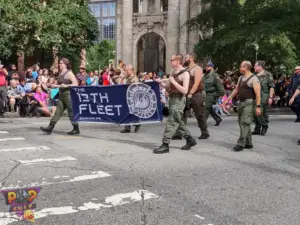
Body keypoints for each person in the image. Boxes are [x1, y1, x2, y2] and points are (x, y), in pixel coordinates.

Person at [154, 54, 197, 154]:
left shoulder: (185, 73)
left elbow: (185, 91)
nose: (171, 62)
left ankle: (165, 144)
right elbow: (168, 86)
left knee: (172, 121)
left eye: (172, 60)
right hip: (172, 99)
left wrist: (174, 81)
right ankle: (190, 140)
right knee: (178, 120)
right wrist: (160, 83)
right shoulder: (173, 72)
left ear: (178, 61)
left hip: (179, 100)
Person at [223, 61, 261, 152]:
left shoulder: (254, 79)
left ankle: (240, 144)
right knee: (242, 123)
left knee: (245, 122)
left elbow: (258, 94)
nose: (239, 68)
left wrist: (258, 107)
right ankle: (248, 143)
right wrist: (228, 99)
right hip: (241, 103)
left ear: (246, 67)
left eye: (241, 66)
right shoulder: (240, 78)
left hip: (249, 103)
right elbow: (236, 90)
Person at [173, 52, 209, 140]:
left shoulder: (197, 69)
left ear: (191, 58)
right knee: (182, 114)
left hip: (196, 94)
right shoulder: (185, 69)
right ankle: (179, 133)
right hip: (186, 94)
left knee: (199, 114)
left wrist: (190, 94)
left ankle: (205, 132)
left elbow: (196, 83)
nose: (185, 59)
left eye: (186, 57)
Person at [40, 58, 79, 135]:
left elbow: (75, 84)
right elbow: (59, 85)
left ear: (65, 64)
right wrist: (53, 85)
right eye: (59, 63)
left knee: (71, 111)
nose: (59, 64)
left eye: (61, 63)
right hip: (61, 94)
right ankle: (50, 128)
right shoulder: (60, 73)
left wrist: (67, 85)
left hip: (68, 94)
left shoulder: (69, 73)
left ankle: (76, 128)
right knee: (58, 112)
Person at [252, 61, 274, 135]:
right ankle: (257, 129)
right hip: (254, 96)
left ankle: (264, 125)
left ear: (260, 66)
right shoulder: (254, 75)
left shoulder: (267, 74)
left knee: (257, 111)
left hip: (263, 96)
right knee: (253, 112)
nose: (254, 67)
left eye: (255, 66)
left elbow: (271, 87)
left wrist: (270, 97)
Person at [120, 65, 141, 133]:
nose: (126, 72)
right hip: (127, 97)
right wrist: (122, 79)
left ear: (131, 70)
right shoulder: (128, 78)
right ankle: (127, 127)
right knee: (127, 112)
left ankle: (137, 123)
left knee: (131, 112)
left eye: (127, 70)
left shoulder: (134, 79)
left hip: (132, 98)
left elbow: (136, 89)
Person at [203, 62, 225, 126]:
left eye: (208, 66)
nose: (206, 68)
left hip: (211, 94)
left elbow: (221, 89)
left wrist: (216, 95)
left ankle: (202, 123)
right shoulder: (205, 75)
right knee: (209, 108)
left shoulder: (215, 76)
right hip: (205, 94)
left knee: (206, 108)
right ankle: (217, 119)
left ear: (212, 67)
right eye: (206, 66)